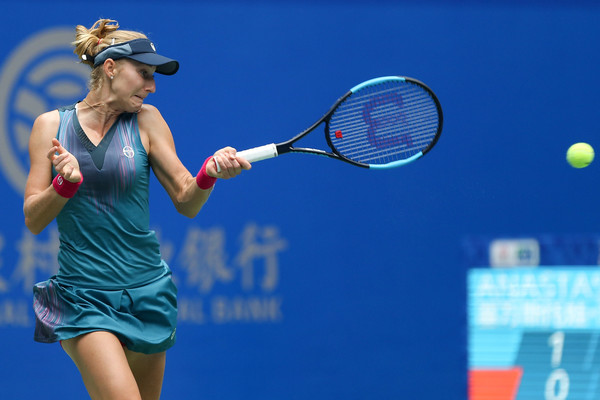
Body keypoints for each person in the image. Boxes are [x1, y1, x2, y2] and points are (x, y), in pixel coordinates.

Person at [23, 19, 251, 400]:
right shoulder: (50, 125)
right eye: (143, 74)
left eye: (154, 76)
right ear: (110, 68)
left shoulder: (148, 120)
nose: (152, 86)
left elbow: (185, 199)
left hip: (148, 292)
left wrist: (208, 175)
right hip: (84, 297)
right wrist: (63, 185)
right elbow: (33, 218)